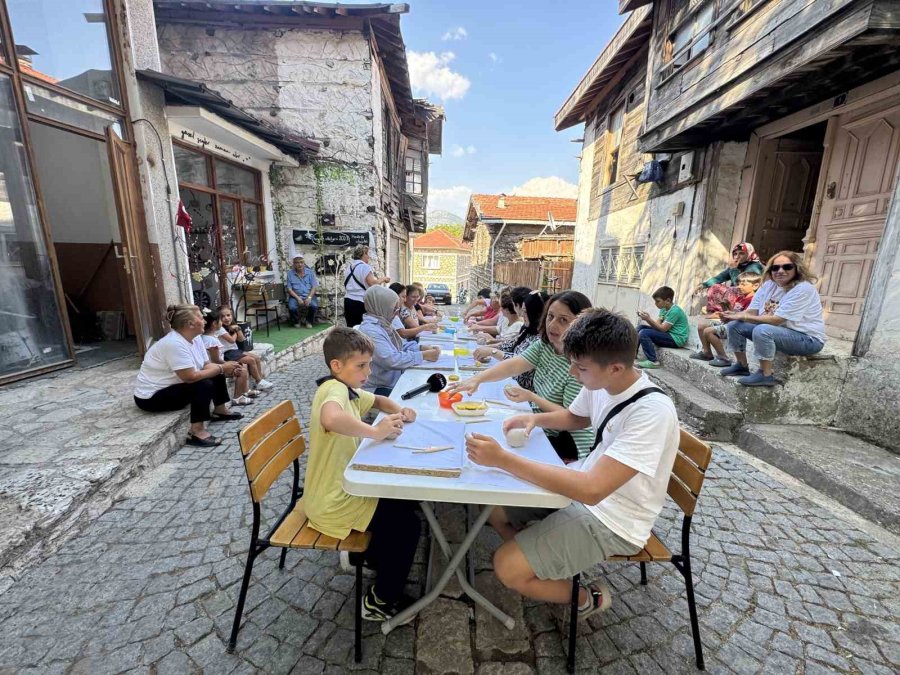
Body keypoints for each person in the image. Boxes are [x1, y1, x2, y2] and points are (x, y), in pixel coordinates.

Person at [464, 308, 678, 620]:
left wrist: (504, 459)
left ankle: (585, 596)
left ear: (616, 368)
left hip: (615, 518)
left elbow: (593, 491)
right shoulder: (605, 384)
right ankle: (541, 554)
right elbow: (576, 417)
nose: (572, 374)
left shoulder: (651, 412)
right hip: (584, 488)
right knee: (493, 508)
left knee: (506, 567)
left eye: (579, 368)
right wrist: (534, 418)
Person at [305, 327, 421, 621]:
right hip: (333, 501)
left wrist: (400, 409)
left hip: (339, 489)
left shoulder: (348, 389)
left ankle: (368, 556)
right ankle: (380, 602)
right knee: (407, 525)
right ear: (337, 366)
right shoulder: (332, 389)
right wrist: (375, 431)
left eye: (369, 364)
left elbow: (379, 401)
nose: (368, 372)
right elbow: (331, 417)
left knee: (404, 503)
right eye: (361, 366)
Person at [448, 291, 593, 461]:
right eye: (550, 316)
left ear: (580, 325)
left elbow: (572, 418)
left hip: (568, 443)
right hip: (540, 428)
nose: (552, 324)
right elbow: (514, 365)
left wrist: (532, 397)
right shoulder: (545, 345)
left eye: (563, 320)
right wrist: (477, 379)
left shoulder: (579, 365)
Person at [134, 304, 244, 447]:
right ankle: (196, 433)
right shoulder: (174, 343)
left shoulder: (196, 337)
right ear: (190, 324)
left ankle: (220, 410)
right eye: (200, 317)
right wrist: (222, 367)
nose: (205, 321)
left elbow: (206, 365)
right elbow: (190, 377)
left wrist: (226, 369)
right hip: (151, 398)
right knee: (202, 384)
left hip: (175, 387)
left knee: (215, 372)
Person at [720, 251, 826, 386]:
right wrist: (733, 316)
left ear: (797, 268)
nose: (780, 271)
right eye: (775, 268)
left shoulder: (803, 289)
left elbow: (777, 320)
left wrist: (744, 316)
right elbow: (752, 311)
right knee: (735, 324)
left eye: (787, 267)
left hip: (808, 339)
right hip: (780, 332)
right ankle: (741, 365)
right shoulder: (769, 285)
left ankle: (765, 375)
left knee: (762, 329)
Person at [357, 286, 440, 396]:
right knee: (420, 398)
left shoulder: (383, 322)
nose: (397, 314)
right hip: (379, 387)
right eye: (394, 309)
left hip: (392, 379)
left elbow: (400, 346)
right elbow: (391, 360)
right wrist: (423, 355)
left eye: (398, 310)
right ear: (382, 307)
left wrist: (421, 348)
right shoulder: (371, 330)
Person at [472, 291, 544, 390]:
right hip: (512, 383)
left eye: (525, 311)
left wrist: (491, 351)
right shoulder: (527, 330)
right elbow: (508, 345)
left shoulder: (539, 339)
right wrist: (485, 349)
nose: (522, 315)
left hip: (522, 390)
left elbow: (518, 361)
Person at [691, 272, 761, 367]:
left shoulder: (753, 300)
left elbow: (745, 318)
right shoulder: (740, 298)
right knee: (702, 325)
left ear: (755, 286)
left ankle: (723, 357)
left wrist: (730, 316)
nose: (739, 286)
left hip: (737, 327)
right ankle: (707, 352)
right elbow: (734, 313)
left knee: (708, 331)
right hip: (731, 323)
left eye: (743, 284)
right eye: (739, 284)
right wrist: (725, 308)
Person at [201, 309, 256, 406]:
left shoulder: (206, 337)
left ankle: (244, 392)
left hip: (214, 365)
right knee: (241, 370)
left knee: (241, 366)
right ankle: (237, 397)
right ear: (214, 323)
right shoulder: (211, 341)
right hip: (214, 366)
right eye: (220, 320)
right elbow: (215, 360)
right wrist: (227, 364)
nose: (222, 322)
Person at [694, 242, 765, 313]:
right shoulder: (738, 265)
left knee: (727, 289)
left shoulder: (755, 266)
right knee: (714, 287)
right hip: (740, 295)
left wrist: (734, 269)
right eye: (735, 254)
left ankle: (721, 311)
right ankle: (717, 311)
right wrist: (703, 285)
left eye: (741, 253)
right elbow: (719, 278)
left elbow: (739, 284)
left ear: (749, 254)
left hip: (751, 296)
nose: (737, 256)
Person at [216, 306, 275, 391]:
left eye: (228, 315)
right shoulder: (220, 329)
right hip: (226, 353)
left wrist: (237, 329)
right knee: (251, 360)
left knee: (256, 358)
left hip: (234, 350)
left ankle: (260, 381)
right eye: (223, 316)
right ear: (218, 318)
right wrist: (236, 330)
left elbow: (241, 339)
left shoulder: (232, 325)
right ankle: (259, 381)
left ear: (232, 315)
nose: (226, 318)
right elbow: (232, 340)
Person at [635, 286, 689, 369]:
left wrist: (648, 319)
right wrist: (648, 318)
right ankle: (633, 354)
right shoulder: (664, 308)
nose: (656, 304)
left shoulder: (675, 311)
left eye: (658, 301)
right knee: (640, 328)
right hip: (667, 334)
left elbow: (662, 329)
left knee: (644, 333)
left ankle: (653, 361)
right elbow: (657, 325)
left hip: (676, 339)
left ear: (668, 300)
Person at [344, 244, 390, 328]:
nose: (368, 257)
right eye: (367, 254)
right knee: (361, 328)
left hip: (348, 300)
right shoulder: (365, 267)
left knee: (351, 328)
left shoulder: (349, 267)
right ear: (363, 254)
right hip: (360, 302)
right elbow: (372, 283)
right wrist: (383, 279)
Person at [286, 255, 318, 328]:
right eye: (297, 263)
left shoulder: (310, 273)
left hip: (308, 295)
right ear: (294, 264)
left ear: (304, 263)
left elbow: (314, 287)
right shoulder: (290, 274)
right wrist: (298, 298)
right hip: (295, 296)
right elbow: (289, 289)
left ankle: (309, 321)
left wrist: (309, 297)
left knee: (314, 306)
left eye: (301, 262)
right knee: (292, 307)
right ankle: (297, 321)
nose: (299, 264)